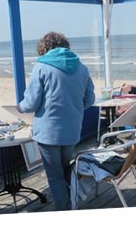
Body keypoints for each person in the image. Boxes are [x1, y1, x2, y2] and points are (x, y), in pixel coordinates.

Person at [18, 32, 94, 211]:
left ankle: (64, 210)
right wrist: (72, 109)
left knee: (54, 175)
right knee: (66, 168)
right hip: (73, 130)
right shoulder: (81, 67)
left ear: (43, 48)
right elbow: (89, 100)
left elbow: (30, 103)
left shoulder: (41, 67)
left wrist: (18, 108)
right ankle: (72, 202)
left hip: (48, 132)